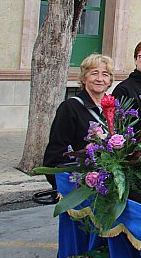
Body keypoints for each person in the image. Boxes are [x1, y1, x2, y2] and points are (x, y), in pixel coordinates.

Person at [43, 54, 115, 188]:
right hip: (83, 183)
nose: (100, 79)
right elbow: (56, 151)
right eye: (94, 73)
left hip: (108, 181)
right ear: (84, 77)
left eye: (105, 74)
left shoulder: (113, 108)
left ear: (110, 80)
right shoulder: (70, 107)